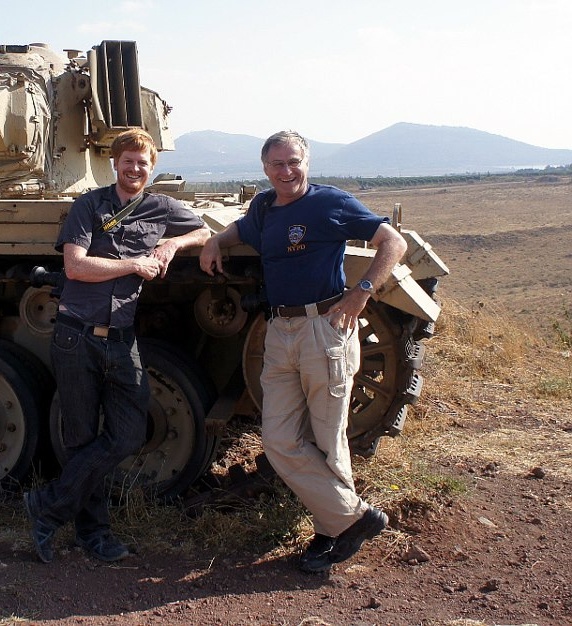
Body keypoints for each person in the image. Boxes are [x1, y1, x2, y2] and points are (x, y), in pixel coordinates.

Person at [199, 130, 408, 573]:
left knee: (328, 439)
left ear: (306, 162)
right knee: (278, 439)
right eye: (276, 164)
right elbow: (243, 228)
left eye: (293, 162)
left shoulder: (329, 202)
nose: (286, 171)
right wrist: (217, 239)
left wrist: (362, 292)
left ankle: (329, 534)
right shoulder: (263, 206)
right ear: (264, 168)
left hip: (324, 328)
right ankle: (354, 518)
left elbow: (394, 242)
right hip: (280, 331)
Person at [23, 128, 211, 563]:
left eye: (143, 162)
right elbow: (75, 266)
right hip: (76, 335)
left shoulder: (161, 207)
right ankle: (95, 534)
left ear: (152, 166)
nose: (135, 168)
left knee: (127, 435)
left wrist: (172, 243)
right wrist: (134, 263)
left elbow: (202, 230)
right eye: (128, 161)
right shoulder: (90, 205)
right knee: (82, 437)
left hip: (121, 340)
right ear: (115, 163)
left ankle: (47, 505)